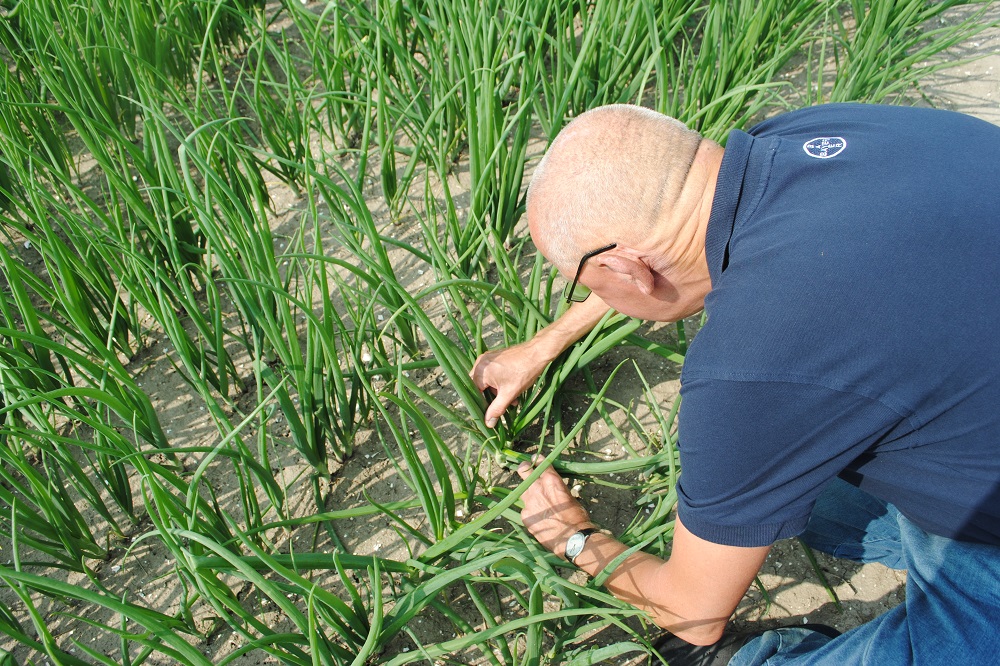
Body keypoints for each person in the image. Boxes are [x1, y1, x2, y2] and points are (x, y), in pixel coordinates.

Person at [469, 103, 1000, 665]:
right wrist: (547, 341)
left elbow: (691, 614)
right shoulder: (802, 134)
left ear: (628, 271)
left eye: (584, 279)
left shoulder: (754, 362)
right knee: (766, 487)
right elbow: (658, 248)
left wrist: (572, 536)